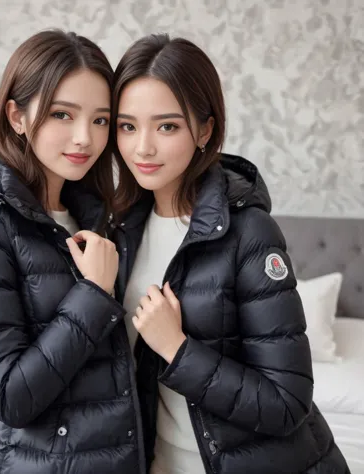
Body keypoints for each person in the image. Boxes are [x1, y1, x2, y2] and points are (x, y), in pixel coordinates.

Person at [109, 34, 350, 474]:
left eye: (167, 126)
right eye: (127, 126)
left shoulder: (250, 233)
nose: (142, 147)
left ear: (204, 129)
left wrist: (177, 348)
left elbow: (286, 402)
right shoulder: (119, 229)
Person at [0, 30, 144, 474]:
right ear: (16, 115)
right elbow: (11, 396)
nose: (84, 138)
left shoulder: (100, 216)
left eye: (100, 120)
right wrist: (92, 292)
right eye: (61, 114)